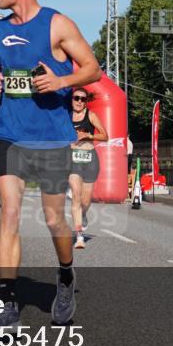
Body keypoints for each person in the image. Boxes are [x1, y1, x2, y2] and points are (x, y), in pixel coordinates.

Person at [0, 0, 101, 329]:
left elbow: (93, 69)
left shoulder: (57, 24)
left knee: (53, 219)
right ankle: (7, 301)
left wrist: (61, 83)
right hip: (8, 134)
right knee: (10, 212)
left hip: (51, 137)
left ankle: (65, 274)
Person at [67, 89, 108, 249]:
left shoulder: (90, 115)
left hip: (90, 159)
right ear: (71, 99)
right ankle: (79, 236)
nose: (79, 101)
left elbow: (105, 135)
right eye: (76, 98)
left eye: (83, 99)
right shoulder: (65, 116)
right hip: (72, 159)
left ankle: (83, 214)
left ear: (86, 101)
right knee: (76, 196)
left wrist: (89, 136)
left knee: (85, 200)